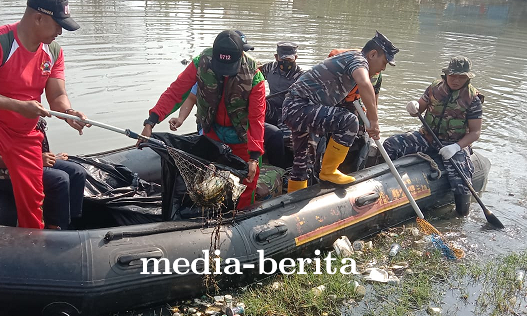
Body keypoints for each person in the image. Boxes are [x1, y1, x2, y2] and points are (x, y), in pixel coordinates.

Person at [0, 0, 87, 237]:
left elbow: (56, 96)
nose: (60, 32)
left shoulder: (53, 52)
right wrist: (18, 105)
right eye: (57, 25)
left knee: (32, 202)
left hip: (24, 132)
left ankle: (34, 242)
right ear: (38, 18)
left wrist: (69, 113)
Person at [140, 30, 265, 210]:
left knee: (247, 182)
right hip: (212, 132)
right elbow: (175, 92)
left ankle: (241, 216)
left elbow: (256, 118)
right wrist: (151, 121)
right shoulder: (201, 63)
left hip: (242, 137)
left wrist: (254, 157)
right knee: (207, 180)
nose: (224, 73)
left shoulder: (254, 75)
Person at [282, 31, 398, 193]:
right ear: (373, 54)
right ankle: (329, 171)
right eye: (384, 62)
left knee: (303, 161)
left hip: (296, 108)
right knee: (349, 121)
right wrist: (374, 121)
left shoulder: (352, 58)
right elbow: (364, 84)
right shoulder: (358, 60)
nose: (383, 68)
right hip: (300, 107)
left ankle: (293, 198)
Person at [382, 56, 483, 216]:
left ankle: (461, 215)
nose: (456, 80)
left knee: (461, 178)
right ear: (446, 74)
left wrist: (456, 147)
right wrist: (413, 107)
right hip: (427, 137)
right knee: (391, 144)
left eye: (461, 77)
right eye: (453, 76)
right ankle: (387, 187)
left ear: (467, 78)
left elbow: (475, 132)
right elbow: (418, 110)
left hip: (454, 143)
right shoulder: (434, 88)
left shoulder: (473, 99)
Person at [0, 118, 87, 229]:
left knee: (77, 172)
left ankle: (71, 222)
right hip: (6, 169)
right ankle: (55, 228)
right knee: (60, 179)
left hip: (30, 159)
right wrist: (36, 160)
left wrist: (49, 156)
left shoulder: (21, 114)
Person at [259, 41, 304, 168]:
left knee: (288, 140)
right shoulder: (269, 68)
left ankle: (286, 166)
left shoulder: (301, 76)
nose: (286, 63)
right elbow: (255, 77)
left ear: (296, 58)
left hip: (289, 109)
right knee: (253, 113)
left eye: (289, 59)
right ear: (276, 57)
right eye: (283, 59)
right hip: (272, 105)